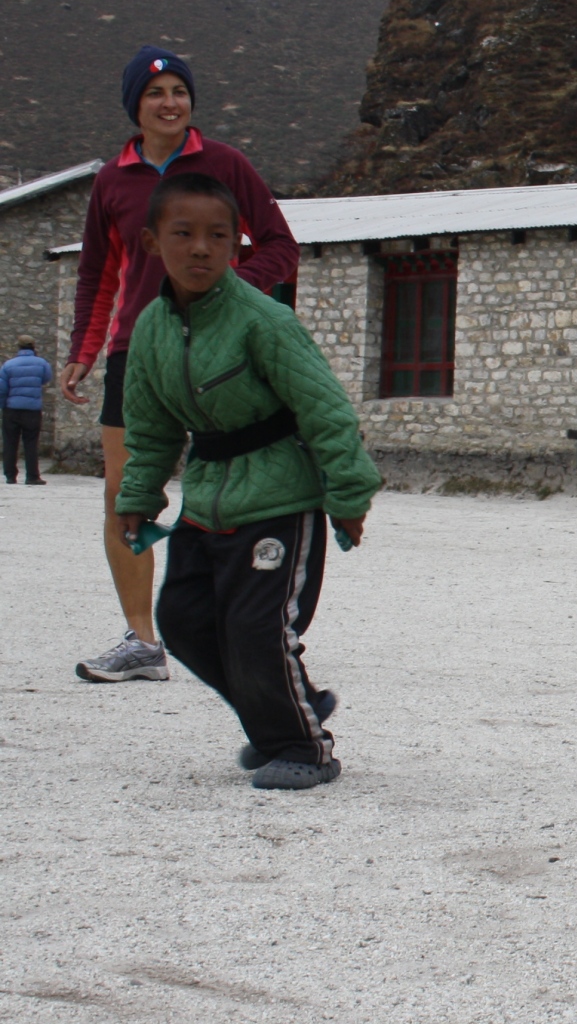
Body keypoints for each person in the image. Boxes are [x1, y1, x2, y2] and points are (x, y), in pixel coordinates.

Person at [115, 173, 380, 790]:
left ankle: (303, 747)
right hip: (207, 498)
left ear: (236, 246)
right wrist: (138, 496)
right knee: (183, 620)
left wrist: (348, 495)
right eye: (184, 234)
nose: (200, 248)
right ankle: (289, 708)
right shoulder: (151, 329)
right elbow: (150, 428)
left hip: (280, 499)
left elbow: (326, 410)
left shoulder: (264, 320)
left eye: (218, 236)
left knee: (256, 630)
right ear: (152, 242)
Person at [67, 45, 299, 684]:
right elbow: (98, 273)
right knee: (124, 492)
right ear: (134, 106)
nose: (170, 103)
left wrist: (228, 287)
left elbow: (280, 245)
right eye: (155, 93)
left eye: (179, 91)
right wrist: (84, 351)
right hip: (138, 352)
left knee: (242, 487)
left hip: (225, 347)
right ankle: (143, 641)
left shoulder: (225, 164)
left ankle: (254, 625)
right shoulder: (112, 182)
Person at [0, 334, 52, 485]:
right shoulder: (42, 363)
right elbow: (46, 378)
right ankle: (32, 476)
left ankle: (10, 476)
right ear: (33, 347)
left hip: (12, 409)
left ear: (18, 346)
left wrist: (3, 405)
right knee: (31, 443)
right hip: (32, 409)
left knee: (10, 442)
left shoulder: (8, 365)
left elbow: (2, 388)